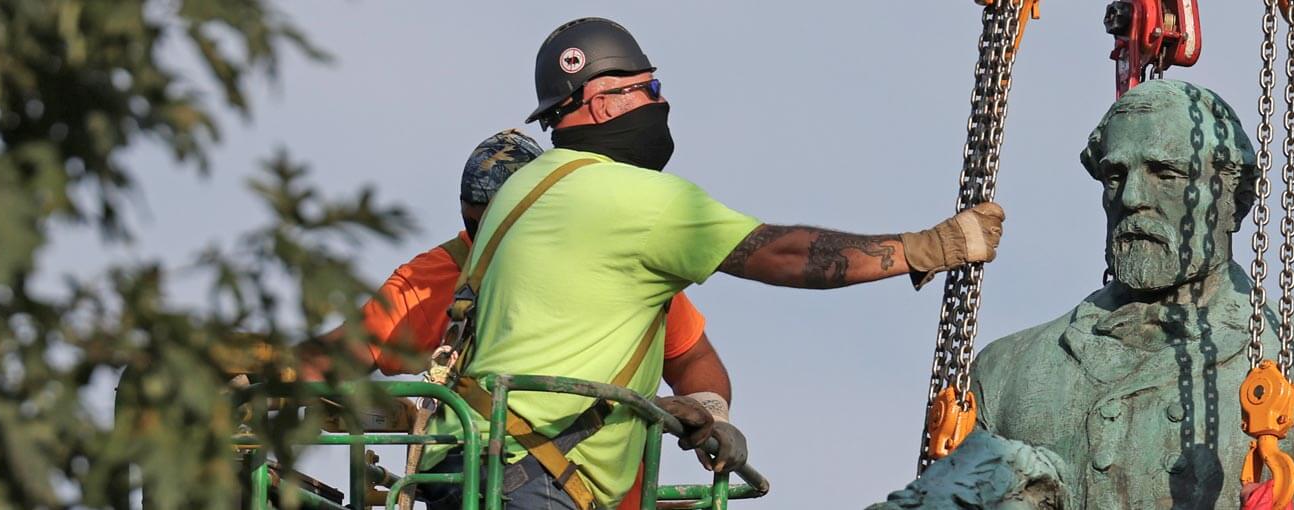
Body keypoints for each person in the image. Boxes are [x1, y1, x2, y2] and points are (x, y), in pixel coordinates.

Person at [417, 17, 1008, 510]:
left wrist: (700, 406)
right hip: (534, 479)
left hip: (464, 468)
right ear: (600, 104)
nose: (662, 103)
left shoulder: (526, 191)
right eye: (649, 90)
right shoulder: (627, 198)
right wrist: (926, 247)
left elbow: (593, 332)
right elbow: (782, 253)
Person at [885, 80, 1294, 509]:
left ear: (1230, 199)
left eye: (1165, 173)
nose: (1133, 198)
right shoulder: (1005, 374)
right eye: (1115, 176)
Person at [294, 129, 739, 509]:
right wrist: (246, 372)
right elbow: (339, 353)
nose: (488, 240)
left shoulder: (615, 262)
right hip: (485, 483)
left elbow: (691, 356)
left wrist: (712, 414)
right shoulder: (434, 280)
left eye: (504, 224)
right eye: (475, 226)